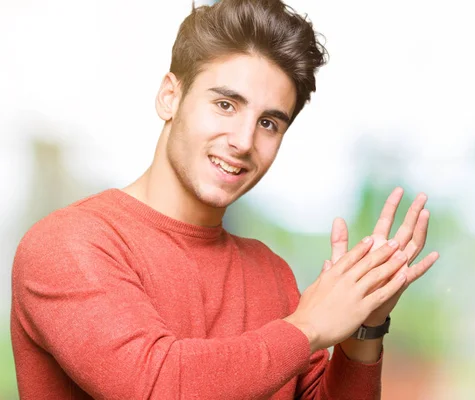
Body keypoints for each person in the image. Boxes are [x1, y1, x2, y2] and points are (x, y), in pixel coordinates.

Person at [10, 0, 439, 398]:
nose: (243, 140)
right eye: (226, 105)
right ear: (169, 97)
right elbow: (154, 384)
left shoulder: (272, 274)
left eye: (269, 123)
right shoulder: (67, 244)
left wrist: (365, 327)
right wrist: (308, 326)